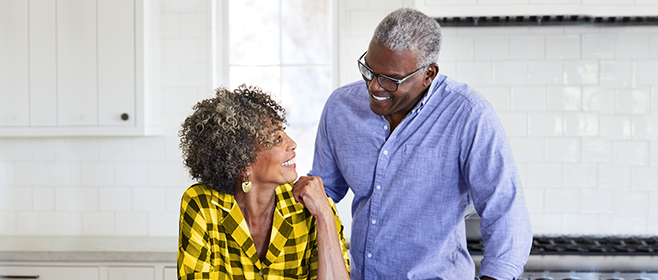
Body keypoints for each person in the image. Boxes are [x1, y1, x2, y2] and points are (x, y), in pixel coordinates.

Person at [309, 8, 533, 280]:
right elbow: (325, 191)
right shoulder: (341, 107)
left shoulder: (469, 115)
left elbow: (506, 213)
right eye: (369, 70)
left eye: (391, 80)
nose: (375, 87)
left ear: (429, 74)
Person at [177, 85, 350, 279]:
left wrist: (325, 215)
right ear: (242, 161)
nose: (292, 144)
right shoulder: (203, 204)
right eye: (277, 139)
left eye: (284, 133)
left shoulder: (310, 206)